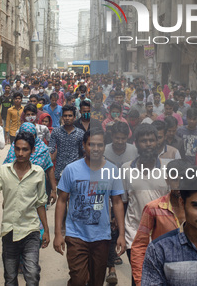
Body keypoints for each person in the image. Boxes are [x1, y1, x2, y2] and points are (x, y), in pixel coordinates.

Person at [54, 128, 126, 286]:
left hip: (102, 236)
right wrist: (58, 233)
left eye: (100, 145)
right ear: (83, 145)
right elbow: (61, 201)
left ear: (104, 146)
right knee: (79, 279)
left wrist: (121, 234)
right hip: (76, 235)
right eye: (91, 144)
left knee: (96, 281)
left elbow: (117, 202)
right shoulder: (71, 170)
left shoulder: (112, 170)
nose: (95, 148)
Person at [0, 132, 49, 285]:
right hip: (9, 232)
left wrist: (47, 231)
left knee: (32, 274)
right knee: (10, 278)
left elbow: (40, 203)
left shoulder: (38, 173)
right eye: (17, 149)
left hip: (31, 230)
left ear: (32, 150)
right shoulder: (4, 171)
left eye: (25, 149)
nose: (20, 153)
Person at [122, 125, 170, 285]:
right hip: (134, 235)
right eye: (144, 141)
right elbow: (123, 202)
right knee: (139, 279)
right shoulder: (126, 169)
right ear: (136, 143)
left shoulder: (168, 169)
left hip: (164, 237)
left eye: (151, 140)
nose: (148, 144)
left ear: (158, 142)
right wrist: (121, 235)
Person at [129, 159, 188, 285]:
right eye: (174, 179)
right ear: (167, 180)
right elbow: (139, 246)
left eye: (183, 180)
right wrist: (140, 281)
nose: (178, 184)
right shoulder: (153, 208)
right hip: (161, 275)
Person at [3, 123, 57, 205]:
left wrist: (53, 190)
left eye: (30, 136)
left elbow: (49, 169)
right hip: (16, 192)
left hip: (37, 192)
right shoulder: (14, 149)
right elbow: (7, 173)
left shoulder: (43, 150)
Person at [49, 105, 85, 182]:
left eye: (70, 116)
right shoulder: (56, 132)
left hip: (75, 169)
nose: (67, 118)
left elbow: (84, 150)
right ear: (62, 117)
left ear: (74, 117)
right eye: (65, 116)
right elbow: (51, 148)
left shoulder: (80, 133)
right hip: (59, 169)